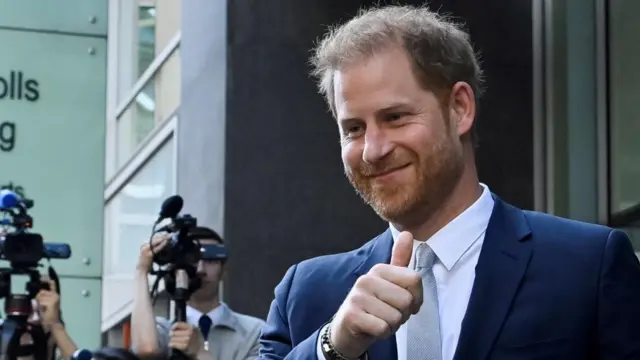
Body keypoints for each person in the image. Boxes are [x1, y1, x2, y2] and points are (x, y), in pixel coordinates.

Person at [258, 4, 640, 360]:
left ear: (460, 108)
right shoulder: (306, 293)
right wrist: (333, 345)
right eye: (354, 128)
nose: (372, 150)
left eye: (395, 117)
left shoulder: (587, 266)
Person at [132, 226, 265, 360]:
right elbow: (146, 349)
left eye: (210, 260)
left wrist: (200, 352)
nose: (200, 270)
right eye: (192, 260)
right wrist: (141, 271)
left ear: (224, 270)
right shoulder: (163, 330)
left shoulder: (255, 333)